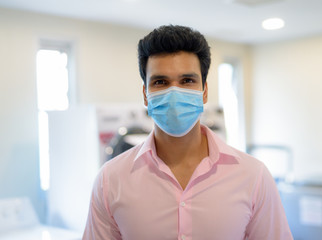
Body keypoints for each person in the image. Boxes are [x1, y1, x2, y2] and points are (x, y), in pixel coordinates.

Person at [83, 25, 293, 240]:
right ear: (146, 94)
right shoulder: (110, 180)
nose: (174, 92)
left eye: (187, 81)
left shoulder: (253, 177)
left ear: (204, 92)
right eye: (161, 82)